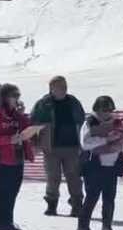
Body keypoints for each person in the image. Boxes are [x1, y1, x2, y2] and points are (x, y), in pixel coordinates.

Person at [0, 84, 36, 230]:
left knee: (13, 192)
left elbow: (26, 129)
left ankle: (7, 223)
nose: (16, 99)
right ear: (5, 98)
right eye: (14, 96)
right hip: (2, 159)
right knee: (4, 192)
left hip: (18, 158)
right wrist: (9, 139)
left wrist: (25, 119)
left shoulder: (17, 115)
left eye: (18, 96)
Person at [31, 76, 86, 217]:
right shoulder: (43, 104)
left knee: (74, 176)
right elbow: (33, 124)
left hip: (72, 146)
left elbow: (83, 123)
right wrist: (35, 143)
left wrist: (83, 142)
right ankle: (51, 204)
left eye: (64, 85)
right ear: (51, 88)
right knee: (53, 177)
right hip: (51, 147)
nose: (63, 88)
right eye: (60, 86)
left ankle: (77, 204)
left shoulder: (73, 102)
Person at [77, 96, 123, 230]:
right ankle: (82, 227)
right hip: (94, 165)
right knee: (92, 197)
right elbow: (85, 143)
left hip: (112, 166)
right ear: (97, 109)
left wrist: (120, 140)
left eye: (110, 110)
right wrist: (106, 139)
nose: (108, 113)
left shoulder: (117, 122)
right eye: (105, 109)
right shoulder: (90, 122)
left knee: (109, 198)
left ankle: (107, 227)